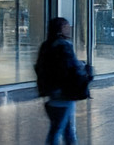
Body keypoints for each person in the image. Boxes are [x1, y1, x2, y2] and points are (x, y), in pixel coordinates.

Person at [36, 17, 91, 145]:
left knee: (65, 128)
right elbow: (70, 67)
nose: (69, 29)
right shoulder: (64, 45)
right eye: (66, 26)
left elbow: (40, 67)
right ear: (60, 29)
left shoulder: (46, 45)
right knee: (59, 129)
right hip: (65, 93)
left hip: (52, 92)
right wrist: (83, 68)